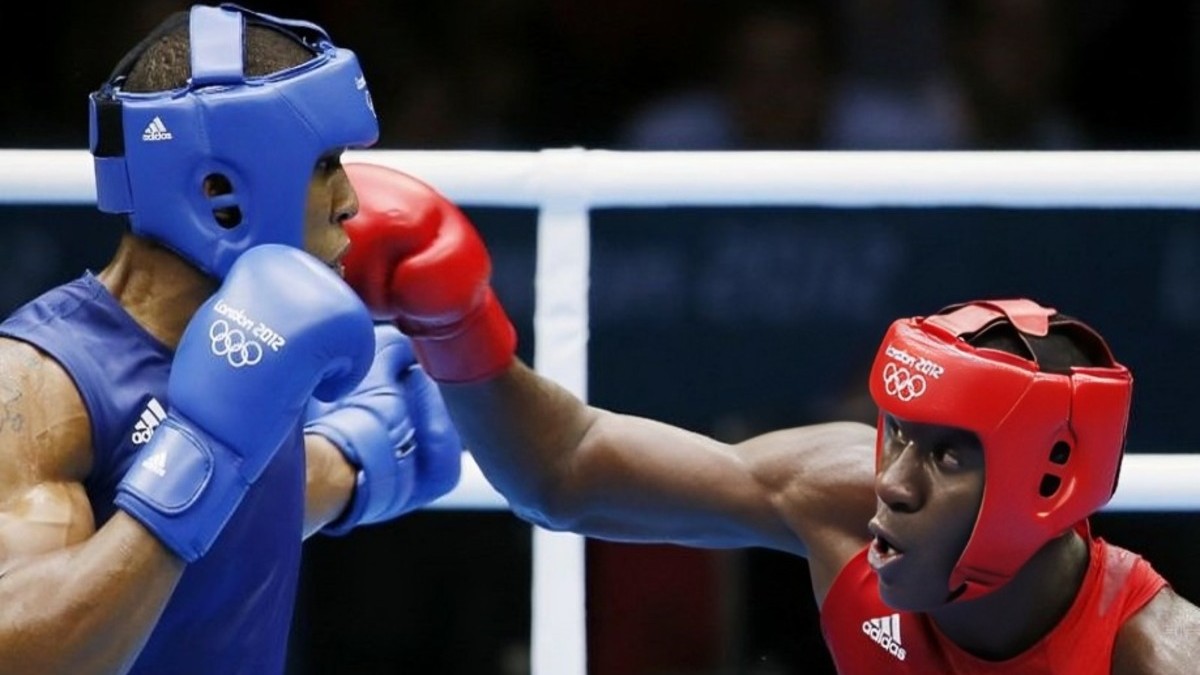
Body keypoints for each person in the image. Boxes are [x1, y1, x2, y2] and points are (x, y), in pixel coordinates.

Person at [340, 161, 1200, 673]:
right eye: (897, 430)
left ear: (1047, 487)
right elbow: (570, 468)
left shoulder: (1158, 656)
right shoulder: (838, 497)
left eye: (947, 456)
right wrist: (455, 328)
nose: (890, 485)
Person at [0, 6, 460, 674]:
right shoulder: (44, 382)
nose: (351, 200)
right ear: (220, 190)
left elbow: (238, 514)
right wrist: (198, 455)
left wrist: (360, 456)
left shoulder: (263, 346)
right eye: (325, 163)